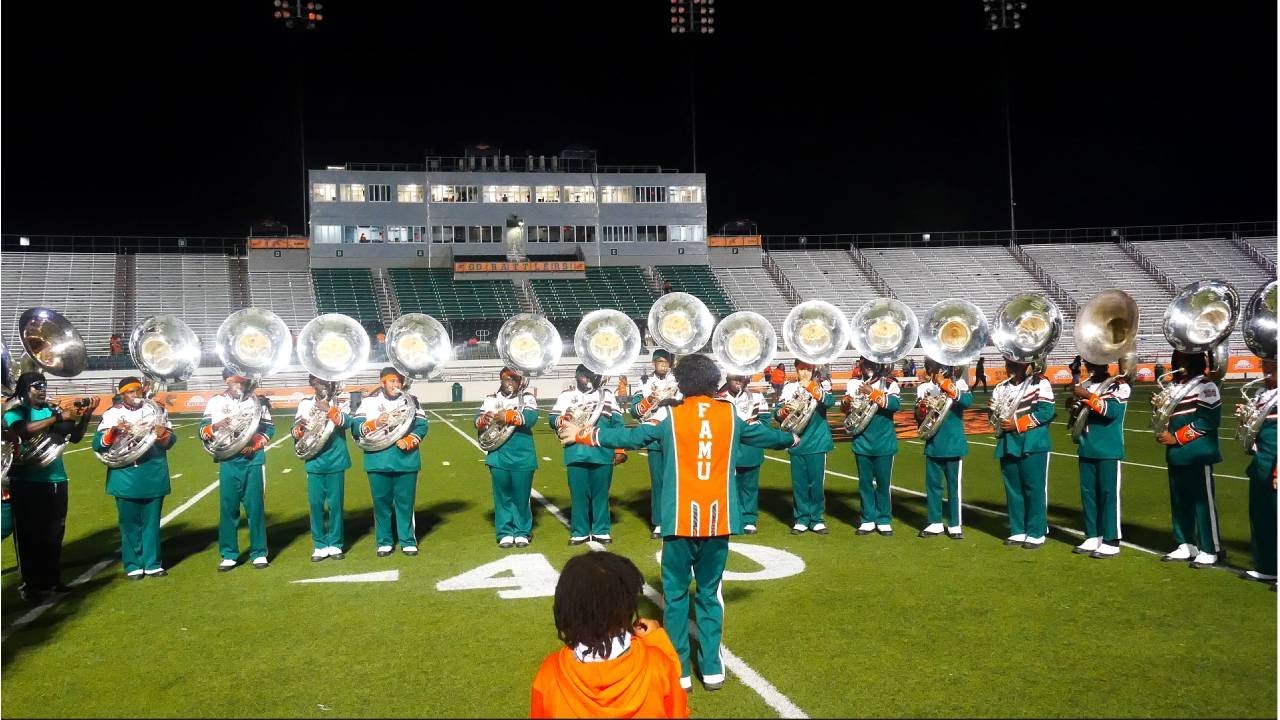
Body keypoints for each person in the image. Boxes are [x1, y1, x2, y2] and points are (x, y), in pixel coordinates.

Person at [558, 353, 797, 692]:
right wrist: (792, 439)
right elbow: (763, 437)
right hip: (719, 520)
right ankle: (712, 666)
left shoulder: (670, 415)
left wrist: (585, 434)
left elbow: (631, 438)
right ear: (714, 383)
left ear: (681, 383)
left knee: (675, 595)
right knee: (710, 594)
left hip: (679, 520)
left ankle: (680, 667)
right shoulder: (729, 413)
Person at [529, 552, 689, 718]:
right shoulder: (657, 665)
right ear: (626, 604)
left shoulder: (549, 675)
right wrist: (657, 641)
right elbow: (677, 709)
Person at [3, 372, 99, 601]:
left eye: (44, 385)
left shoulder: (52, 409)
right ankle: (30, 584)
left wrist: (85, 417)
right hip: (26, 481)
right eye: (37, 386)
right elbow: (21, 432)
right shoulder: (14, 412)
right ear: (25, 388)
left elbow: (74, 438)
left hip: (55, 480)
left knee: (54, 534)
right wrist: (56, 419)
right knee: (28, 535)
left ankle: (52, 580)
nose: (42, 389)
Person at [93, 377, 177, 579]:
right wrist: (114, 432)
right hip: (125, 475)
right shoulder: (113, 414)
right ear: (122, 394)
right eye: (130, 392)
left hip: (152, 472)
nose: (135, 395)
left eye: (137, 390)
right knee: (129, 524)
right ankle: (133, 564)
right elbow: (98, 445)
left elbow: (171, 441)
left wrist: (163, 434)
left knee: (151, 522)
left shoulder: (155, 410)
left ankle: (152, 563)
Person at [201, 369, 276, 571]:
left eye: (243, 379)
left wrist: (256, 444)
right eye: (235, 379)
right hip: (228, 460)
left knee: (255, 508)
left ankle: (259, 552)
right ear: (227, 380)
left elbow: (269, 428)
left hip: (252, 460)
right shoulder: (216, 402)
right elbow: (202, 430)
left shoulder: (257, 401)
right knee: (228, 509)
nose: (240, 382)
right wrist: (216, 426)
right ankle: (229, 554)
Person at [1154, 350, 1223, 568]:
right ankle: (1185, 543)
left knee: (1203, 503)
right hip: (1176, 454)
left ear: (1194, 361)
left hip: (1198, 452)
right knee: (1179, 501)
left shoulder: (1206, 386)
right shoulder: (1175, 388)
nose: (1179, 363)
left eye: (1184, 359)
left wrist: (1177, 437)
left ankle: (1210, 548)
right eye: (1177, 360)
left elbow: (1209, 420)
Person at [352, 366, 428, 557]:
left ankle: (407, 540)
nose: (396, 384)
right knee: (381, 503)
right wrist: (377, 422)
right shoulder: (369, 402)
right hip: (378, 459)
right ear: (382, 382)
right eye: (392, 381)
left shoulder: (411, 400)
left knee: (405, 503)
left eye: (398, 381)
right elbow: (355, 428)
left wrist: (410, 440)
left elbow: (421, 425)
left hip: (405, 459)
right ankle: (384, 541)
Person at [548, 365, 626, 545]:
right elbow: (553, 419)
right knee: (578, 494)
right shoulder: (566, 396)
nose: (588, 378)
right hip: (576, 451)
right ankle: (580, 531)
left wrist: (619, 449)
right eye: (584, 375)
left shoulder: (606, 395)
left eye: (591, 374)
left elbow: (617, 423)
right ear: (577, 376)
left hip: (602, 451)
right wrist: (562, 419)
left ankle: (601, 530)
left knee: (601, 494)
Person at [292, 375, 361, 561]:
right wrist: (298, 430)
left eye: (325, 382)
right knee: (315, 505)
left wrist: (330, 410)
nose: (322, 385)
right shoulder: (305, 403)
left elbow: (350, 424)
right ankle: (320, 544)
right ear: (312, 384)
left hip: (336, 459)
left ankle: (336, 544)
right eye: (318, 382)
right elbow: (295, 429)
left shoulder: (342, 401)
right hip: (314, 459)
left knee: (335, 505)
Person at [1069, 361, 1130, 558]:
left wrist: (1087, 396)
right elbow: (1078, 414)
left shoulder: (1118, 385)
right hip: (1087, 445)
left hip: (1108, 448)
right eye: (1089, 361)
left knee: (1108, 494)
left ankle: (1111, 540)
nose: (1091, 365)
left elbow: (1111, 412)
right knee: (1088, 494)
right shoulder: (1086, 383)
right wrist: (1074, 405)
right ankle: (1092, 535)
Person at [994, 359, 1056, 549]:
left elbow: (1047, 412)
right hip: (1008, 443)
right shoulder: (1000, 387)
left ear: (1025, 365)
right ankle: (1018, 530)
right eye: (1007, 364)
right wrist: (995, 416)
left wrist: (1017, 424)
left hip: (1033, 442)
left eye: (1014, 364)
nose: (1010, 367)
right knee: (1014, 489)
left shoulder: (1039, 383)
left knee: (1034, 488)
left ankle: (1036, 532)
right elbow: (994, 414)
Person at [477, 367, 540, 548]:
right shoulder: (491, 398)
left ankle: (522, 531)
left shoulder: (527, 397)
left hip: (522, 454)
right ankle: (505, 531)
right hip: (498, 454)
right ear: (501, 379)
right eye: (507, 377)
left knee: (521, 496)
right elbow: (478, 419)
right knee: (502, 496)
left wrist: (510, 415)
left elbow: (531, 417)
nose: (510, 381)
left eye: (514, 378)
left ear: (520, 381)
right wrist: (482, 420)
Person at [775, 360, 835, 535]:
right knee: (799, 484)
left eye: (808, 368)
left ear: (813, 369)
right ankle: (801, 518)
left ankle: (816, 519)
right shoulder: (788, 388)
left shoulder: (822, 384)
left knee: (816, 484)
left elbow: (829, 402)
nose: (805, 372)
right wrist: (785, 410)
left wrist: (810, 387)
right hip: (796, 441)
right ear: (796, 369)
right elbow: (777, 414)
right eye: (801, 369)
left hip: (817, 442)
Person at [913, 359, 971, 540]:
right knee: (933, 486)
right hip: (933, 442)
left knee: (954, 487)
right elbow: (918, 416)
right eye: (931, 367)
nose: (934, 370)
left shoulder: (958, 383)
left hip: (953, 443)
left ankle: (954, 524)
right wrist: (923, 408)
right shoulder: (923, 388)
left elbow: (967, 401)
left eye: (938, 367)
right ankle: (935, 522)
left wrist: (945, 385)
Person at [844, 358, 901, 536]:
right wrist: (846, 403)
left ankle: (884, 519)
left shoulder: (890, 383)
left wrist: (873, 392)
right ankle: (867, 519)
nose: (867, 366)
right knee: (865, 484)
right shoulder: (853, 383)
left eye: (871, 362)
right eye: (864, 362)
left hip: (884, 442)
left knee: (883, 484)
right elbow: (847, 410)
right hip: (862, 441)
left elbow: (894, 405)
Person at [631, 349, 680, 539]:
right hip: (653, 432)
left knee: (676, 479)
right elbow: (635, 411)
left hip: (675, 432)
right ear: (653, 363)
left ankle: (676, 519)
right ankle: (659, 522)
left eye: (666, 361)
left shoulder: (679, 380)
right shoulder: (644, 382)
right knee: (658, 480)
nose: (663, 364)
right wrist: (651, 399)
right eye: (660, 361)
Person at [719, 374, 770, 534]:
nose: (738, 380)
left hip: (750, 449)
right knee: (728, 487)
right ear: (727, 377)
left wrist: (748, 428)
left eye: (741, 377)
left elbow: (765, 422)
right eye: (734, 376)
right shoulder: (718, 398)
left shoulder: (756, 396)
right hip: (726, 450)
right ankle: (732, 520)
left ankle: (748, 519)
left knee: (749, 486)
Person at [1243, 357, 1277, 584]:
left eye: (1272, 366)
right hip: (1260, 460)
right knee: (1261, 514)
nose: (1266, 370)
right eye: (1264, 365)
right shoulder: (1261, 394)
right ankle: (1267, 565)